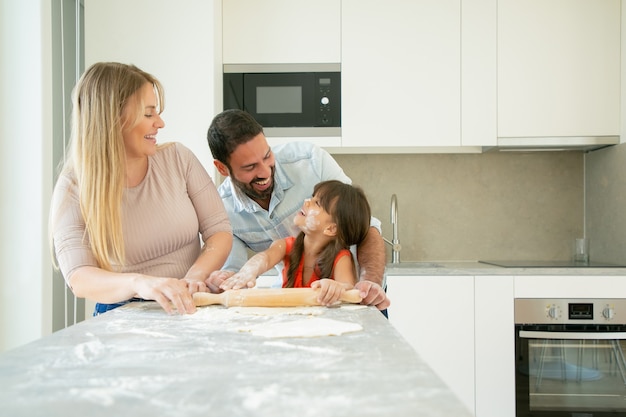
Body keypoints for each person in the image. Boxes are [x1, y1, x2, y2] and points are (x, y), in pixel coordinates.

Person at [49, 62, 233, 316]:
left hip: (191, 301)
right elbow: (79, 277)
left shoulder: (179, 159)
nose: (160, 123)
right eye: (148, 114)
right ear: (112, 119)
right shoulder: (73, 186)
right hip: (123, 310)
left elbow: (219, 231)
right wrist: (140, 283)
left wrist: (193, 279)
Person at [206, 109, 390, 311]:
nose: (266, 171)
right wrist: (225, 279)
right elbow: (239, 270)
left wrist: (366, 283)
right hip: (295, 308)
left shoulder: (310, 161)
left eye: (267, 156)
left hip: (359, 298)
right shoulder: (222, 209)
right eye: (250, 167)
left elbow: (363, 225)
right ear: (223, 169)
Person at [222, 180, 371, 305]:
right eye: (311, 197)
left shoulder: (341, 258)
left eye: (317, 203)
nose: (307, 201)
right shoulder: (286, 246)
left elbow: (350, 290)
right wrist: (249, 271)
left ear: (331, 229)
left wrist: (336, 287)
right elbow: (265, 258)